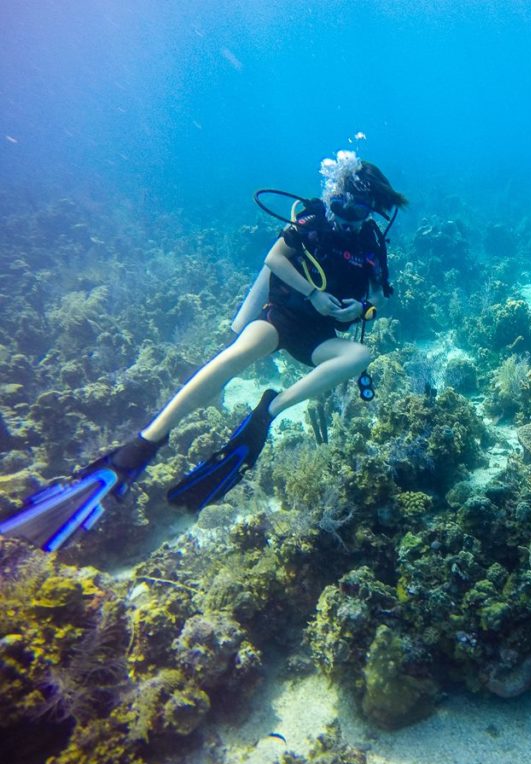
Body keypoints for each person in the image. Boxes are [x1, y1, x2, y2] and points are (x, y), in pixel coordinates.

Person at [0, 151, 407, 551]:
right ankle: (142, 444)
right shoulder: (314, 218)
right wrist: (315, 294)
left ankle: (270, 409)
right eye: (340, 204)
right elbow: (274, 259)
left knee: (357, 357)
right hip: (282, 317)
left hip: (320, 335)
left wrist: (360, 308)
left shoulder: (372, 241)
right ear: (331, 196)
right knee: (235, 356)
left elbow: (376, 297)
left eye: (357, 210)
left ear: (371, 210)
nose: (345, 216)